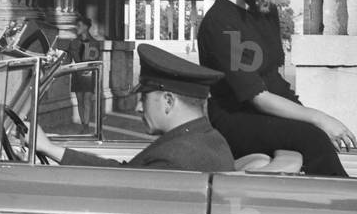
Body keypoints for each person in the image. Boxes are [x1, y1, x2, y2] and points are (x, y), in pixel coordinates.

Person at [197, 0, 356, 177]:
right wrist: (317, 118)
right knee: (311, 137)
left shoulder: (265, 10)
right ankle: (344, 205)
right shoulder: (221, 23)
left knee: (315, 135)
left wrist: (305, 113)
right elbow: (256, 96)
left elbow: (274, 79)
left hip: (263, 113)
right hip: (234, 119)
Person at [35, 44, 235, 171]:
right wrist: (50, 149)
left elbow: (121, 185)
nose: (139, 107)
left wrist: (48, 149)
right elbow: (127, 173)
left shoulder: (174, 159)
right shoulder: (205, 139)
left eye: (144, 98)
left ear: (168, 101)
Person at [70, 14, 99, 130]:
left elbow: (96, 60)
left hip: (88, 74)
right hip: (77, 74)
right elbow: (70, 58)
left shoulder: (95, 43)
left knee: (87, 99)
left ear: (86, 27)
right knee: (79, 100)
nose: (77, 28)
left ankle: (86, 125)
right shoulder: (73, 43)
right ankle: (83, 124)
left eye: (79, 25)